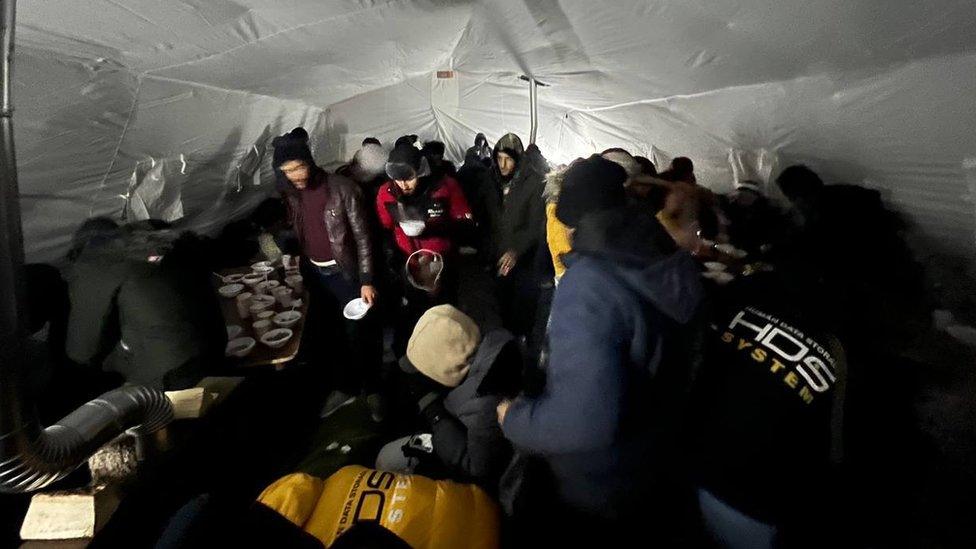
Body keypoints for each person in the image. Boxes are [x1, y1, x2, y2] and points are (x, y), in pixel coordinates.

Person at [497, 155, 705, 542]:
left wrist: (514, 418)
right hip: (654, 460)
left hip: (597, 485)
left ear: (571, 218)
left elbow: (584, 420)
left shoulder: (590, 284)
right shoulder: (668, 260)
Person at [690, 268, 848, 549]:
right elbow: (830, 452)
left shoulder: (735, 307)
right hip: (757, 505)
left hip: (699, 470)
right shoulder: (836, 355)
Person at [272, 127, 385, 421]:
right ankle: (344, 387)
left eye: (298, 167)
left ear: (309, 161)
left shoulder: (343, 189)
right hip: (316, 275)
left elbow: (363, 237)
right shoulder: (292, 194)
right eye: (287, 170)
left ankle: (373, 390)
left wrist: (366, 280)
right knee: (331, 335)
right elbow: (299, 227)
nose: (294, 175)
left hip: (345, 275)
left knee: (362, 334)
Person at [376, 305, 520, 488]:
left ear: (447, 367)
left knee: (386, 459)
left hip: (479, 476)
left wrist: (435, 415)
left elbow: (477, 469)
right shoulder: (498, 343)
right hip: (464, 431)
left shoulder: (484, 406)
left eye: (424, 369)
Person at [376, 144, 473, 356]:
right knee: (412, 312)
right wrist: (392, 252)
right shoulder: (387, 192)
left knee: (444, 311)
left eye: (409, 178)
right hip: (408, 260)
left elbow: (465, 222)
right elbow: (384, 226)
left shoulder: (445, 186)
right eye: (398, 179)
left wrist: (433, 226)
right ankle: (411, 356)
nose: (403, 185)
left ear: (421, 170)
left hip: (442, 262)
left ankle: (447, 358)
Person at [479, 133, 547, 343]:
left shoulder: (533, 183)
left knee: (522, 309)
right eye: (499, 158)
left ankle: (521, 345)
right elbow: (486, 219)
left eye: (508, 159)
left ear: (518, 159)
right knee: (498, 307)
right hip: (497, 255)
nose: (503, 164)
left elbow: (537, 225)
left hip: (523, 259)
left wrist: (517, 250)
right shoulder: (491, 181)